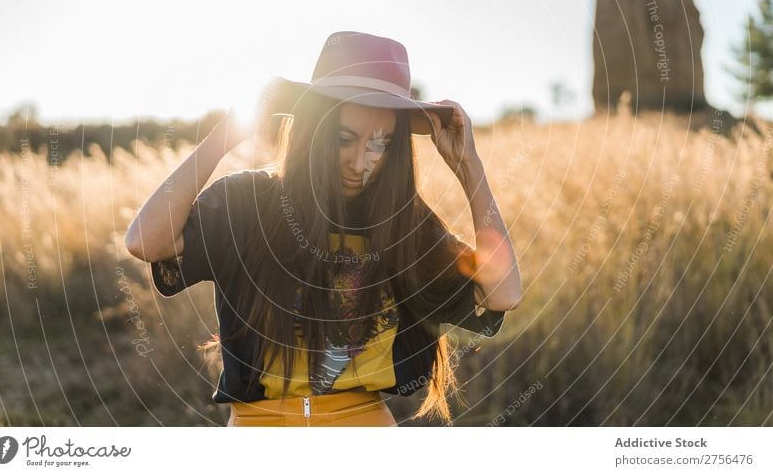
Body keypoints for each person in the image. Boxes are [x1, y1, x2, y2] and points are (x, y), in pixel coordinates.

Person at [125, 31, 522, 427]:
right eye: (344, 138)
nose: (359, 161)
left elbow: (502, 294)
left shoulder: (404, 224)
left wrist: (470, 169)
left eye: (380, 144)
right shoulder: (246, 203)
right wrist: (224, 137)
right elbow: (145, 241)